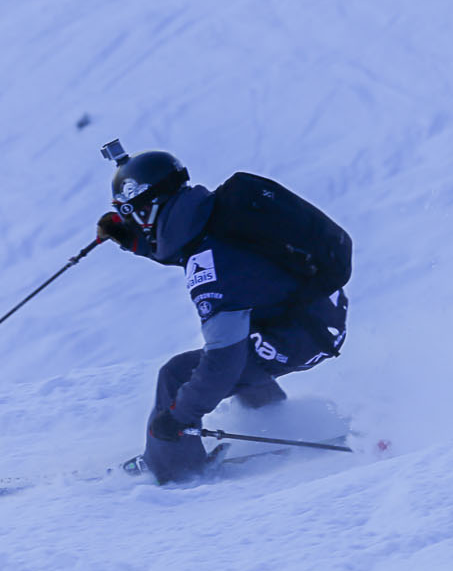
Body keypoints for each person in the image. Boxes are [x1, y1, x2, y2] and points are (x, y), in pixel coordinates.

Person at [98, 150, 349, 483]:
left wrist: (177, 419)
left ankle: (173, 468)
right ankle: (275, 419)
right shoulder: (212, 216)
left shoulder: (210, 265)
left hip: (302, 335)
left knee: (178, 375)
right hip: (317, 316)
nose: (133, 223)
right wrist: (130, 240)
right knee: (239, 343)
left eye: (131, 213)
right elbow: (178, 244)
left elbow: (222, 363)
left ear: (151, 207)